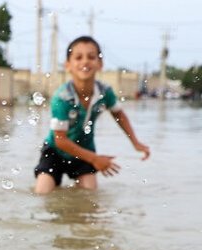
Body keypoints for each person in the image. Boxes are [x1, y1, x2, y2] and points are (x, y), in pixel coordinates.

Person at [34, 36, 151, 194]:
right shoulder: (61, 98)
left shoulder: (104, 92)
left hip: (85, 150)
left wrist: (136, 143)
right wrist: (95, 159)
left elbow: (119, 115)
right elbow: (60, 140)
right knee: (42, 192)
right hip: (55, 152)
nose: (85, 62)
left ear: (100, 64)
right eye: (78, 57)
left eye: (91, 57)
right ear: (68, 65)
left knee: (90, 195)